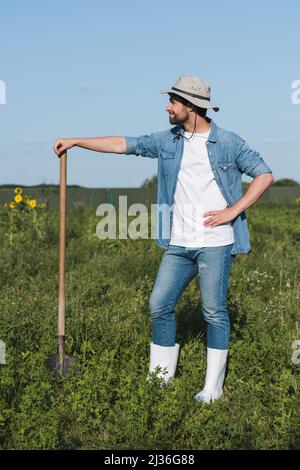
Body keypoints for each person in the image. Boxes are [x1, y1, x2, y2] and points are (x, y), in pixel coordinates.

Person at [53, 75, 274, 403]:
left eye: (173, 101)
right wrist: (77, 140)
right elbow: (125, 143)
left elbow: (265, 174)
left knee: (213, 311)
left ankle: (213, 387)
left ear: (191, 106)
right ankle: (160, 380)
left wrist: (232, 211)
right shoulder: (169, 141)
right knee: (159, 305)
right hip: (178, 243)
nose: (167, 107)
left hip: (215, 242)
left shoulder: (228, 142)